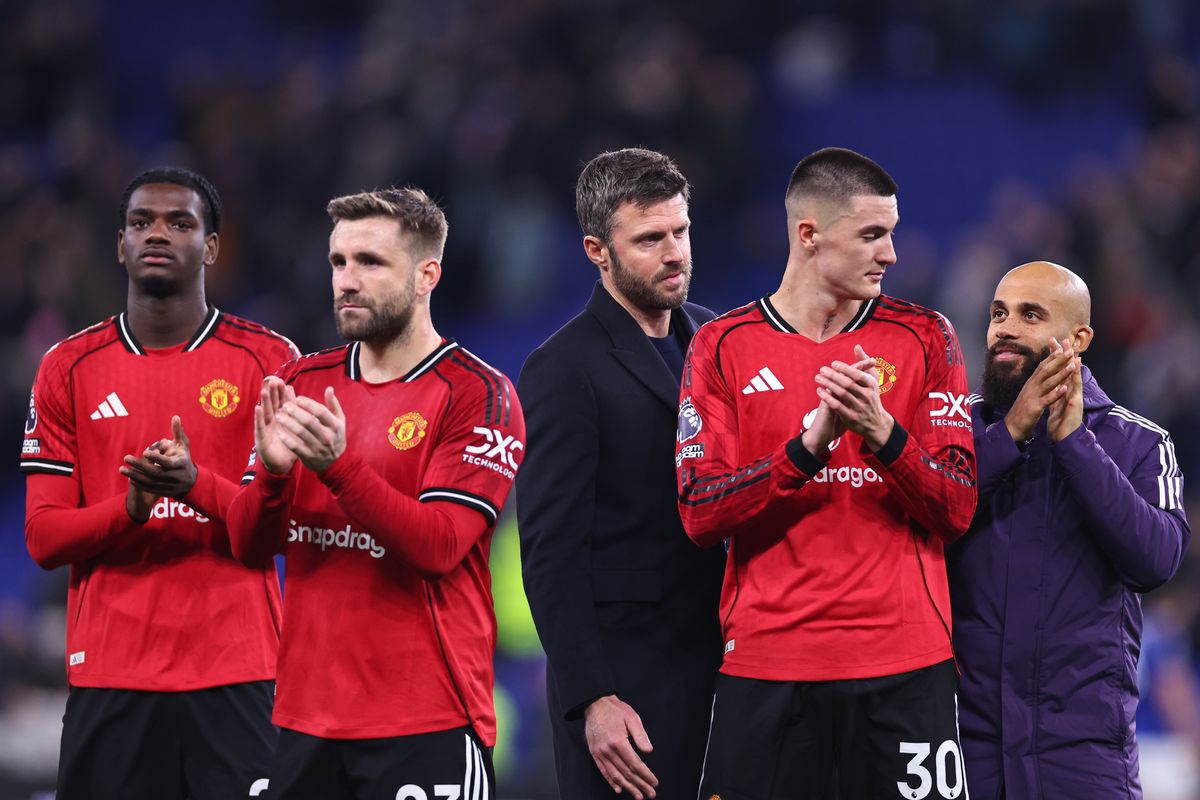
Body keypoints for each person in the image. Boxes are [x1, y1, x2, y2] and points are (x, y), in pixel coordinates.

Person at [677, 147, 978, 799]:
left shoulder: (926, 337)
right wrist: (808, 448)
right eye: (872, 234)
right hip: (770, 665)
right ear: (808, 236)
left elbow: (956, 507)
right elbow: (700, 514)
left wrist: (882, 434)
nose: (891, 254)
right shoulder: (723, 345)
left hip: (906, 668)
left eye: (891, 233)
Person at [226, 187, 523, 800]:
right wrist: (276, 478)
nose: (347, 281)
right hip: (303, 720)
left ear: (426, 275)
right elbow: (249, 547)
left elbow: (439, 545)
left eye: (370, 262)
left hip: (426, 719)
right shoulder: (301, 381)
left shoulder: (478, 395)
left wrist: (339, 468)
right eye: (338, 262)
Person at [20, 167, 297, 799]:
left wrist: (194, 483)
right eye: (141, 222)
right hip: (112, 678)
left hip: (238, 672)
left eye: (180, 222)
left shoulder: (270, 362)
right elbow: (42, 538)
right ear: (120, 244)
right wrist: (134, 506)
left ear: (213, 247)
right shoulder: (66, 369)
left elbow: (271, 535)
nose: (158, 234)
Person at [515, 147, 725, 800]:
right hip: (629, 688)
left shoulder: (716, 339)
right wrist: (591, 698)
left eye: (680, 232)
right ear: (596, 250)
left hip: (726, 670)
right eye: (649, 239)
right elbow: (551, 551)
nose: (674, 253)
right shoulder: (563, 368)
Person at [947, 261, 1190, 799]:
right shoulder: (954, 434)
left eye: (1030, 315)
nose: (1005, 328)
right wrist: (1008, 436)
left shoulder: (1139, 442)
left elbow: (1155, 561)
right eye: (998, 314)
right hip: (967, 749)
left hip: (1083, 756)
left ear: (1077, 338)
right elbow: (921, 528)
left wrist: (1076, 442)